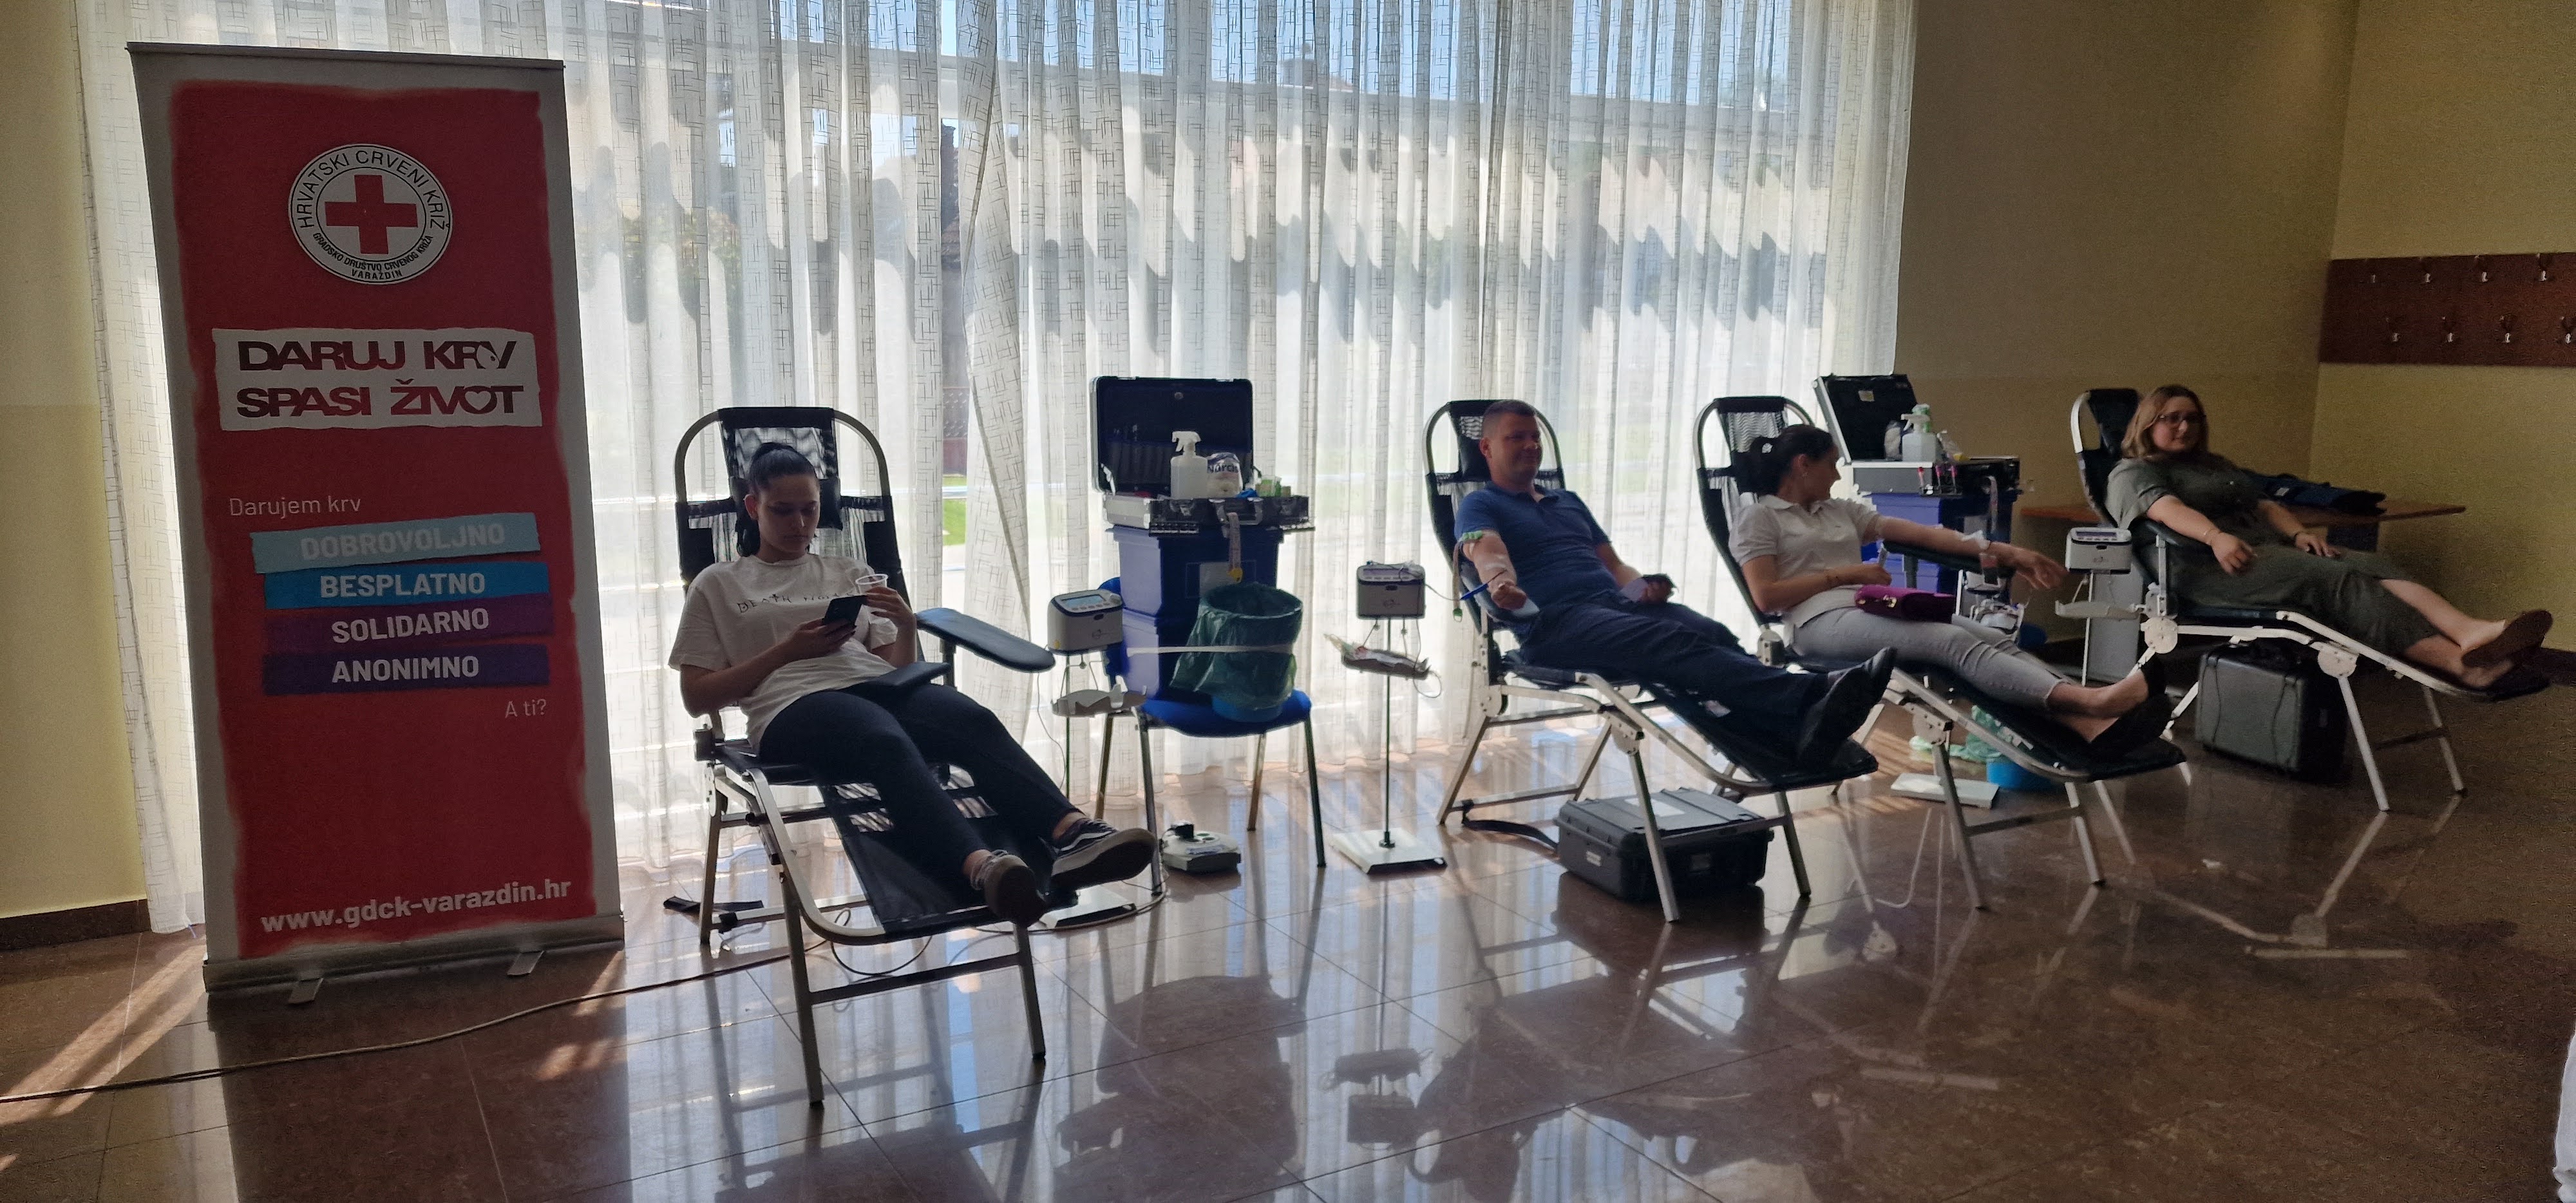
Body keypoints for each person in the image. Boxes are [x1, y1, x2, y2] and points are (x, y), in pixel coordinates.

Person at [668, 444, 1151, 926]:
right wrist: (787, 652)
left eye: (809, 509)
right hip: (789, 708)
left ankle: (1073, 835)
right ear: (753, 507)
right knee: (879, 735)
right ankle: (982, 869)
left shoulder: (848, 572)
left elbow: (890, 667)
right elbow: (697, 697)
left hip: (876, 690)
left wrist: (905, 626)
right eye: (782, 511)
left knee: (970, 717)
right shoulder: (719, 583)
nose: (799, 524)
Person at [1454, 401, 1894, 766]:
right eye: (1516, 438)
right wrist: (1500, 582)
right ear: (1486, 448)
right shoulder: (1479, 505)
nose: (1531, 445)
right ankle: (1811, 693)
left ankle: (1794, 733)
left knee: (1709, 632)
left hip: (1613, 610)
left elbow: (1614, 567)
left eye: (1534, 437)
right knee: (1669, 640)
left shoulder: (1567, 501)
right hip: (1554, 624)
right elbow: (1487, 551)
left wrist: (1643, 588)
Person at [1730, 424, 2172, 754]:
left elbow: (1926, 535)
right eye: (1830, 464)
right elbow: (1766, 597)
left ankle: (2088, 726)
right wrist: (1844, 575)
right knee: (1950, 641)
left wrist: (2008, 552)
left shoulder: (1837, 511)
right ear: (1803, 465)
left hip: (1866, 607)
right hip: (1815, 624)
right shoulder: (1760, 518)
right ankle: (2091, 700)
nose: (1835, 475)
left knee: (1994, 639)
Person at [2104, 385, 2550, 690]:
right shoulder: (2132, 473)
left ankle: (2468, 631)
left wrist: (2299, 534)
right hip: (2207, 570)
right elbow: (2167, 509)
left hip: (2266, 553)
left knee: (2368, 563)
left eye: (2192, 419)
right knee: (2336, 581)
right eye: (2172, 419)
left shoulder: (2213, 465)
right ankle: (2460, 668)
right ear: (2148, 424)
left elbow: (2265, 504)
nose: (2184, 428)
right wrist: (2216, 536)